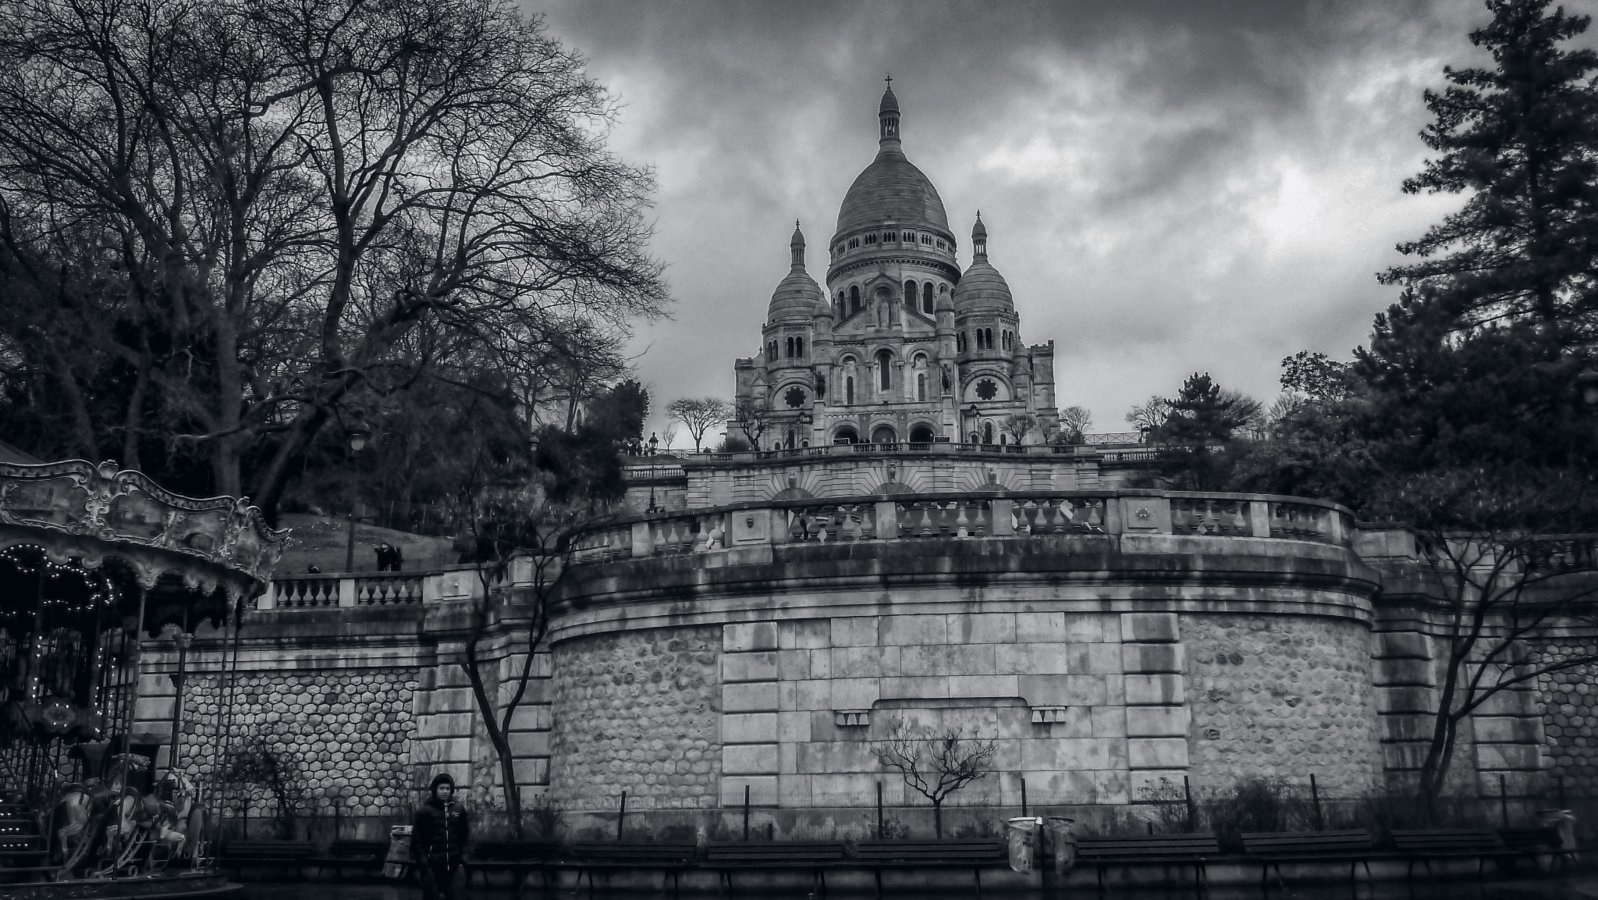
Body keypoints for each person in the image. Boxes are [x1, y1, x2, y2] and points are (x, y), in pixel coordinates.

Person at [411, 773, 469, 900]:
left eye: (447, 789)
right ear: (435, 790)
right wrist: (423, 861)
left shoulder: (458, 809)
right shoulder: (425, 811)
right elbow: (417, 839)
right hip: (432, 866)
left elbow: (465, 835)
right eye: (441, 788)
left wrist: (463, 857)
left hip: (455, 865)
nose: (445, 791)